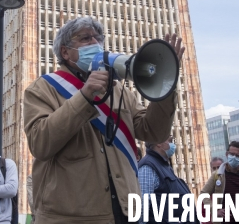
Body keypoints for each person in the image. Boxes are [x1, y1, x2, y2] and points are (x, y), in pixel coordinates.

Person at [23, 16, 184, 224]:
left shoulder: (118, 90)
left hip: (125, 213)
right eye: (85, 38)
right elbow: (40, 143)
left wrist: (165, 85)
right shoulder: (43, 88)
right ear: (65, 52)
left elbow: (154, 132)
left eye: (98, 38)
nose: (95, 43)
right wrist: (85, 96)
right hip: (72, 217)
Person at [138, 136, 194, 224]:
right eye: (170, 141)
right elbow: (141, 208)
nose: (173, 145)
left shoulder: (163, 165)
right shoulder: (148, 166)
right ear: (158, 143)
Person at [201, 140, 239, 222]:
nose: (234, 157)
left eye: (237, 155)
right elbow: (204, 194)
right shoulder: (217, 175)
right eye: (231, 154)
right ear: (227, 154)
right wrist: (215, 210)